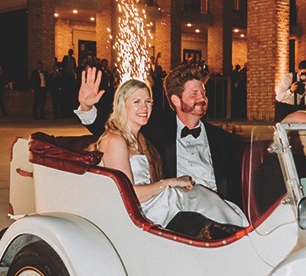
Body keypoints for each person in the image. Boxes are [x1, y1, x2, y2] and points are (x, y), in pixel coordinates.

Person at [75, 62, 244, 209]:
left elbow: (237, 187)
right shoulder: (156, 126)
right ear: (176, 100)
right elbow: (116, 126)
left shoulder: (224, 139)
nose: (203, 98)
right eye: (194, 94)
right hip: (179, 207)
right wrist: (86, 107)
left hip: (218, 206)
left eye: (203, 93)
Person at [96, 78, 247, 230]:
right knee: (197, 197)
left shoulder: (141, 139)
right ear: (122, 105)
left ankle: (237, 232)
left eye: (148, 102)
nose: (144, 107)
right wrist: (170, 182)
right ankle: (237, 235)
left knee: (201, 196)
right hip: (141, 210)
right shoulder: (115, 140)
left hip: (155, 201)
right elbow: (126, 195)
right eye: (136, 102)